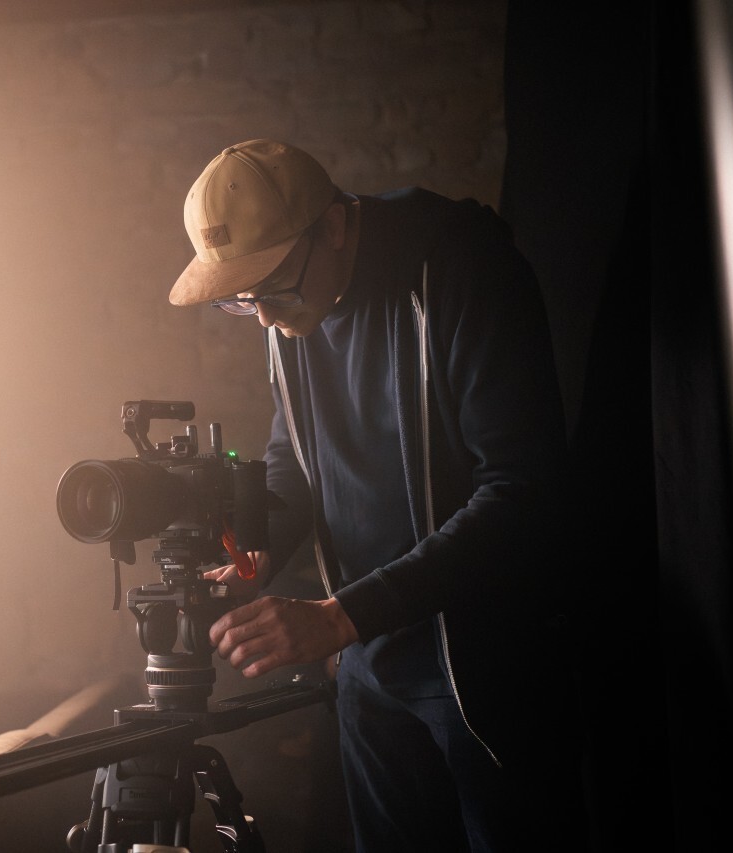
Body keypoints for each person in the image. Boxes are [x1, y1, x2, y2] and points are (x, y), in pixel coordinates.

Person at [168, 139, 588, 852]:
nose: (263, 316)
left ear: (333, 225)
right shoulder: (288, 307)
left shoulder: (463, 268)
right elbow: (295, 458)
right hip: (367, 655)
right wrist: (256, 548)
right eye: (242, 298)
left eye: (272, 287)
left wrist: (341, 616)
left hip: (486, 661)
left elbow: (521, 491)